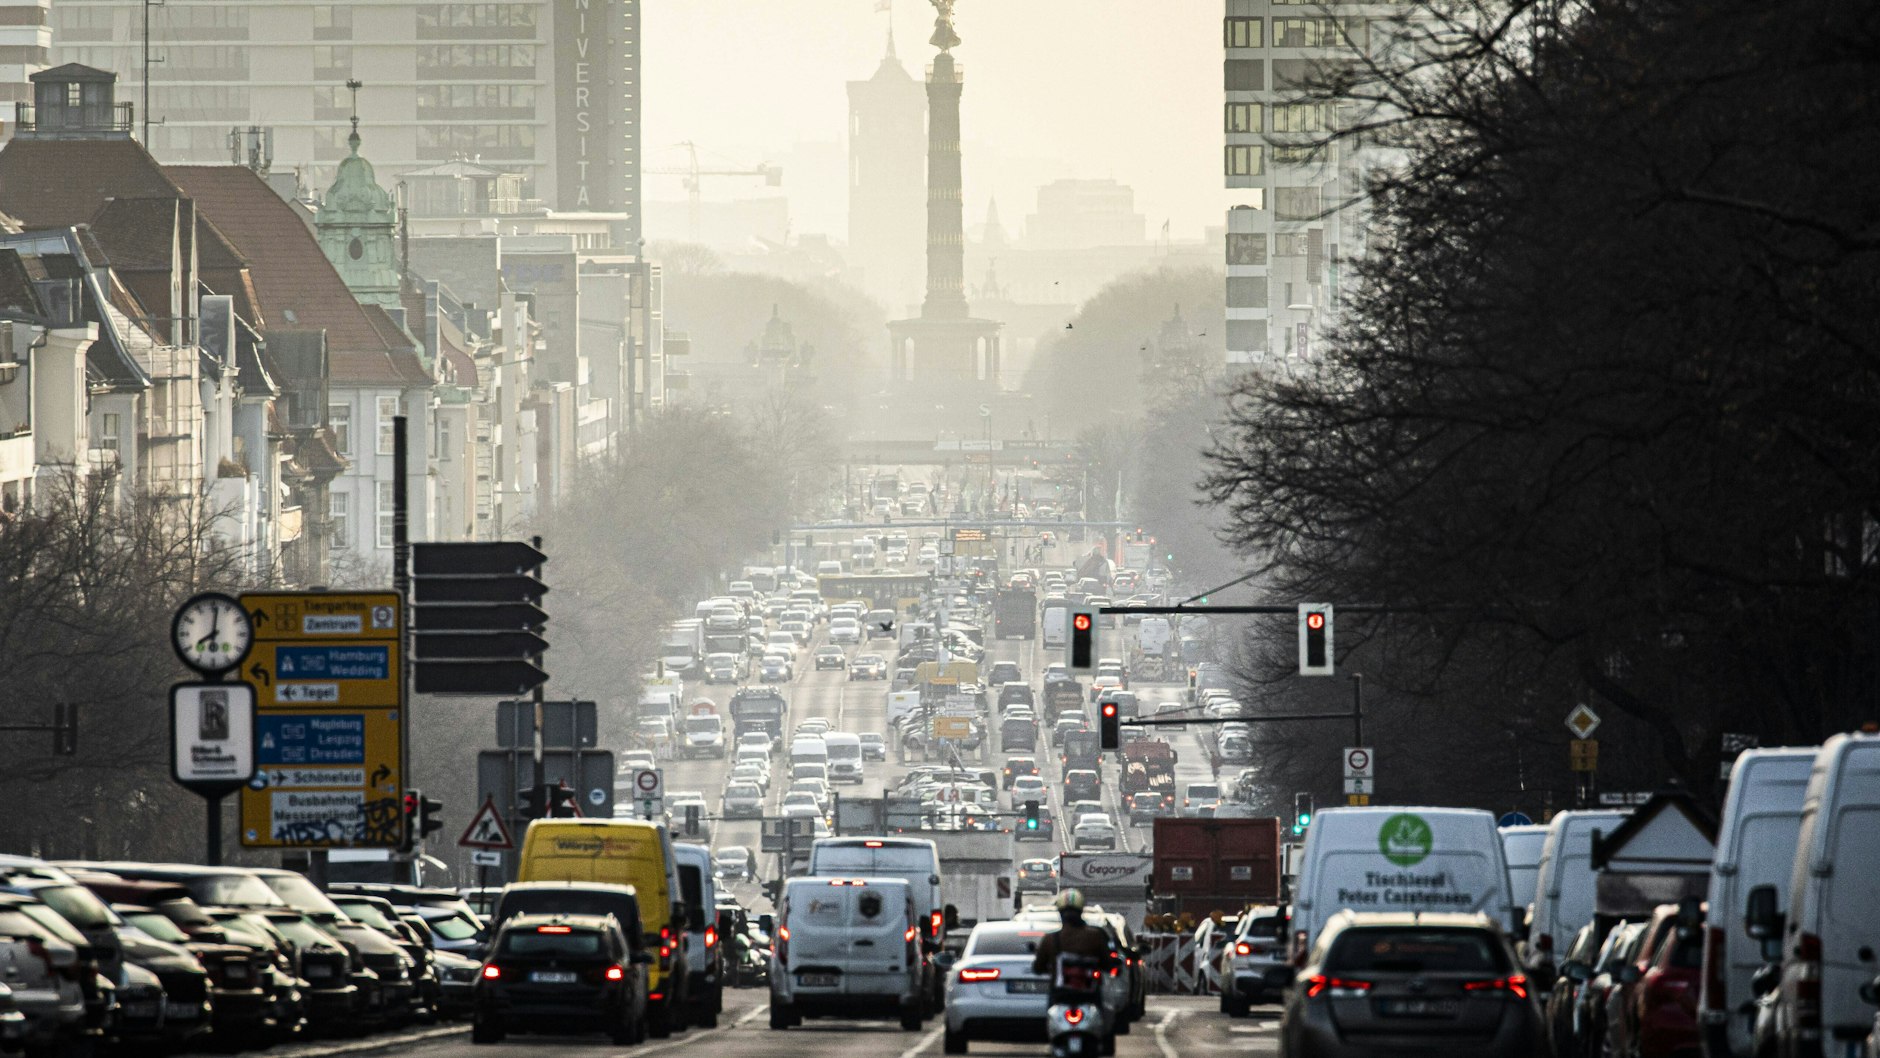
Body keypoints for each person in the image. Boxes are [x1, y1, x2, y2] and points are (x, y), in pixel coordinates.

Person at [1030, 888, 1113, 978]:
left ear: (1060, 913)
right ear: (1081, 911)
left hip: (1060, 987)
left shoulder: (1050, 939)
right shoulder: (1096, 937)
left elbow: (1038, 968)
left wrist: (1053, 968)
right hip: (1090, 987)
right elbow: (1107, 965)